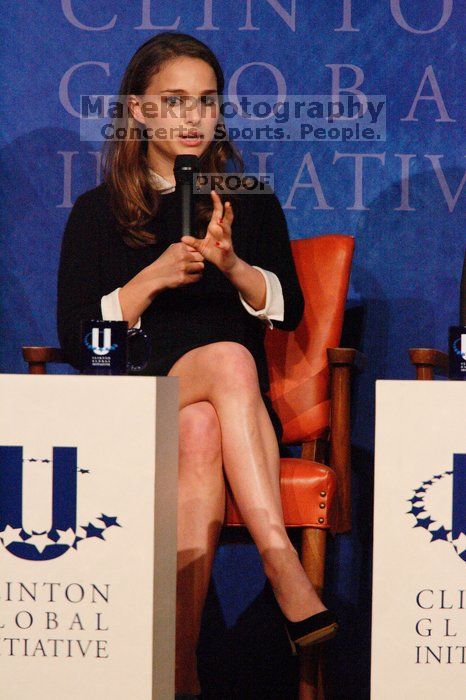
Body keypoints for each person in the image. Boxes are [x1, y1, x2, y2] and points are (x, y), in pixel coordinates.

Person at [57, 32, 337, 699]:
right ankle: (281, 558)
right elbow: (74, 337)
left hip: (221, 412)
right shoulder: (99, 212)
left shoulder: (246, 199)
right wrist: (151, 279)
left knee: (207, 424)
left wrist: (233, 263)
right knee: (231, 360)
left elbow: (288, 310)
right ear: (140, 111)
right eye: (173, 100)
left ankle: (180, 674)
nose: (191, 117)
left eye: (206, 102)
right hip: (133, 401)